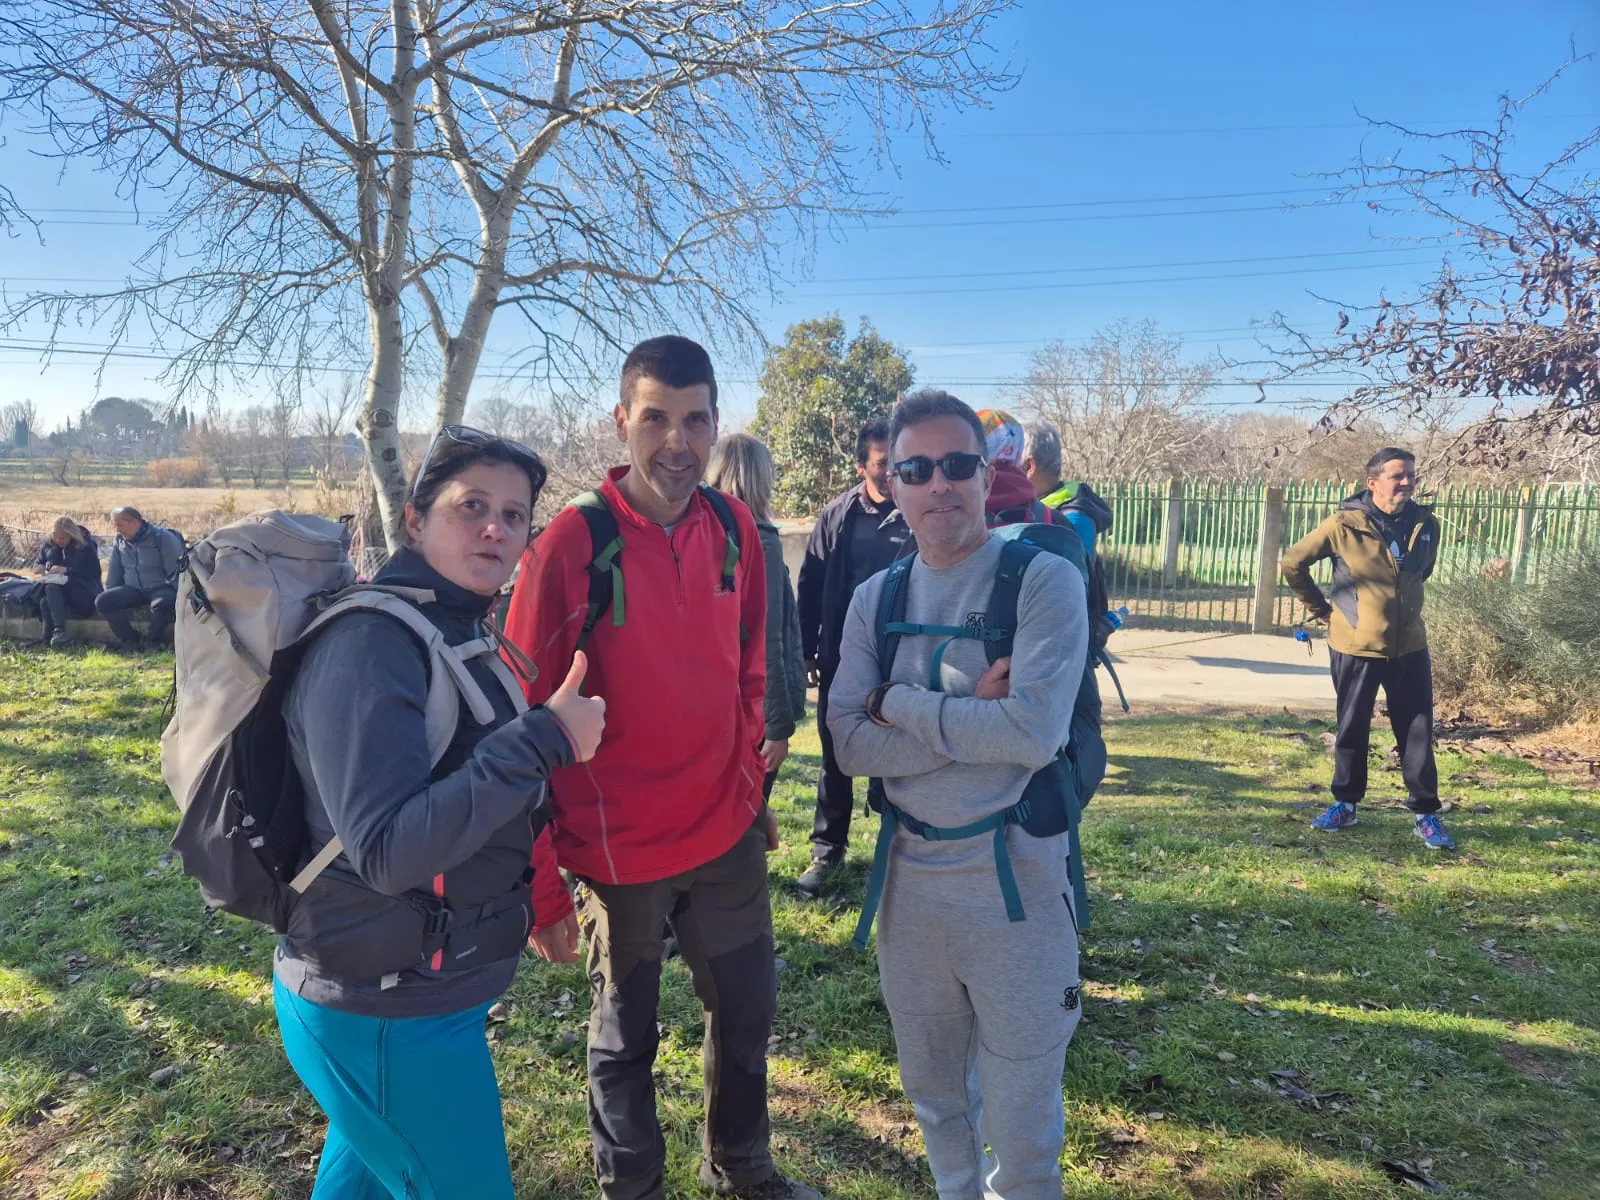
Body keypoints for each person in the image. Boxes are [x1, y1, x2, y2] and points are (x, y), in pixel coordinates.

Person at [504, 335, 821, 1200]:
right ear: (622, 422)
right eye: (656, 419)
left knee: (747, 1013)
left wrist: (749, 788)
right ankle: (632, 1187)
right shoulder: (572, 544)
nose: (677, 442)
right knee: (624, 1036)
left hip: (723, 833)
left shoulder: (734, 531)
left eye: (695, 420)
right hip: (617, 851)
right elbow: (521, 726)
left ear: (717, 424)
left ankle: (743, 1167)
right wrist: (540, 887)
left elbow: (751, 670)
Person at [273, 426, 607, 1199]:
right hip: (385, 1012)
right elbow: (387, 850)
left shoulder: (455, 626)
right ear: (416, 519)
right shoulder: (371, 642)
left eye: (516, 515)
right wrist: (546, 737)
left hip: (415, 996)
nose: (496, 528)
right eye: (472, 506)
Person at [827, 390, 1087, 1200]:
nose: (939, 484)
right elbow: (846, 743)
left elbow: (1032, 734)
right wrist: (973, 710)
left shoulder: (1043, 580)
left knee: (1021, 1120)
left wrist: (899, 705)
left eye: (958, 465)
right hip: (909, 889)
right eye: (916, 468)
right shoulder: (877, 598)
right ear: (892, 483)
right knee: (935, 1096)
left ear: (987, 473)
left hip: (1018, 891)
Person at [1280, 447, 1453, 850]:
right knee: (1352, 727)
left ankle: (1426, 813)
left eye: (1411, 475)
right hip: (1355, 645)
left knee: (1417, 731)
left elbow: (1421, 574)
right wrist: (1323, 610)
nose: (1407, 482)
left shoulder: (1426, 524)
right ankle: (1345, 804)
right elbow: (1292, 563)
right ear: (1372, 483)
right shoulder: (1344, 525)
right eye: (1397, 476)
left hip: (1410, 646)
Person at [794, 417, 911, 899]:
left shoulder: (915, 510)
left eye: (896, 464)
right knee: (836, 753)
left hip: (904, 658)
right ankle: (827, 850)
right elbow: (811, 583)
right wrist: (804, 647)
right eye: (883, 464)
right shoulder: (837, 516)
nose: (891, 474)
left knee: (905, 754)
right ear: (861, 465)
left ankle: (902, 849)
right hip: (842, 657)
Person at [707, 433, 808, 798]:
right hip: (751, 715)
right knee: (747, 822)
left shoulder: (702, 532)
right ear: (759, 477)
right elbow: (768, 640)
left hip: (712, 710)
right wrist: (778, 727)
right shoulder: (758, 539)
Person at [95, 506, 184, 648]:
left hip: (160, 587)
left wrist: (182, 595)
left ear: (135, 523)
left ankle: (153, 641)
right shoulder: (120, 540)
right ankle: (131, 639)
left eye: (120, 525)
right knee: (103, 601)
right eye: (115, 525)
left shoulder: (162, 538)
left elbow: (176, 571)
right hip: (133, 589)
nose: (117, 529)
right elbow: (115, 569)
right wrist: (111, 590)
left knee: (164, 603)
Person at [32, 516, 103, 646]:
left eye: (63, 538)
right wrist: (38, 568)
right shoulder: (48, 546)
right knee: (45, 601)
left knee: (51, 587)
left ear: (72, 535)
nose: (59, 541)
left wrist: (67, 569)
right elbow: (38, 563)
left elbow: (94, 572)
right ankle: (49, 639)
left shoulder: (85, 547)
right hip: (59, 593)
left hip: (82, 592)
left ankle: (59, 631)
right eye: (56, 537)